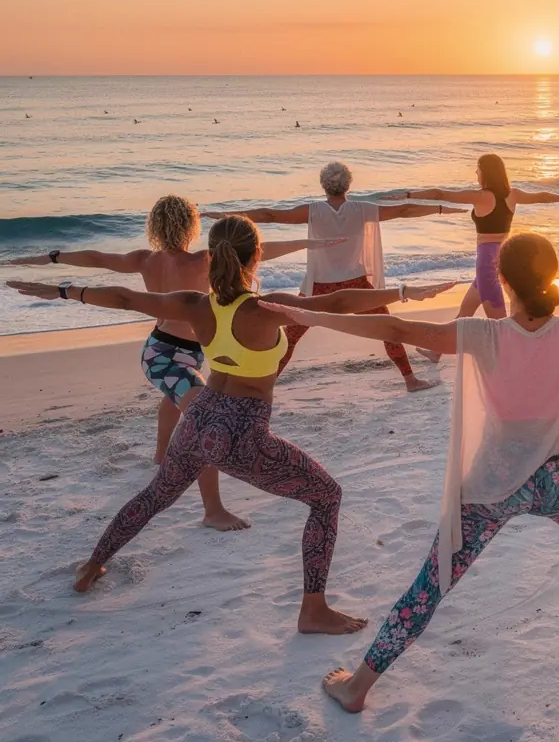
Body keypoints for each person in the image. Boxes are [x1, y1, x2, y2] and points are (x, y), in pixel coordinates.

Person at [262, 234, 559, 712]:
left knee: (432, 583)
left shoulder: (483, 334)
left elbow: (396, 330)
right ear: (553, 276)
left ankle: (358, 686)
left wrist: (306, 315)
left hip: (493, 481)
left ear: (502, 281)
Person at [6, 215, 454, 634]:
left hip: (199, 418)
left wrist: (62, 291)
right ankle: (313, 609)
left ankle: (91, 566)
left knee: (157, 493)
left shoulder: (196, 304)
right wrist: (404, 291)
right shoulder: (266, 308)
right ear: (254, 258)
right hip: (242, 430)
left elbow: (124, 298)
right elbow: (337, 301)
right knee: (326, 497)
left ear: (214, 254)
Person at [4, 195, 340, 532]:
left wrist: (53, 258)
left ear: (155, 226)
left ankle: (161, 455)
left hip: (164, 350)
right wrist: (313, 244)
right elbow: (262, 250)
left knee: (176, 401)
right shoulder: (202, 261)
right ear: (191, 226)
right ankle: (213, 510)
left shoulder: (144, 259)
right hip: (166, 358)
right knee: (203, 422)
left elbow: (97, 258)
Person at [203, 162, 462, 391]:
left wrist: (226, 216)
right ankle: (410, 380)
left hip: (318, 289)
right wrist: (441, 208)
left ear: (324, 185)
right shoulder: (362, 209)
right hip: (356, 286)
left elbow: (271, 215)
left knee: (291, 338)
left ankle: (265, 385)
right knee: (388, 328)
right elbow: (404, 210)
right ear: (347, 185)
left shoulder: (313, 210)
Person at [392, 154, 559, 359]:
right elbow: (542, 196)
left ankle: (520, 357)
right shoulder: (513, 195)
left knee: (500, 325)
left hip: (487, 264)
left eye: (477, 169)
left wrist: (407, 195)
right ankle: (437, 352)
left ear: (485, 172)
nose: (476, 173)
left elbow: (440, 194)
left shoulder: (481, 197)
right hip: (503, 258)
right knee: (465, 313)